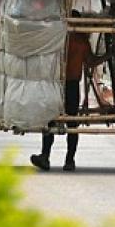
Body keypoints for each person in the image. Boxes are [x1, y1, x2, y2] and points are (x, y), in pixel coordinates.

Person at [31, 29, 92, 172]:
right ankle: (69, 160)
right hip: (71, 86)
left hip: (56, 84)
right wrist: (107, 56)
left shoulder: (57, 39)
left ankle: (45, 156)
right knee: (72, 122)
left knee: (51, 119)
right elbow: (90, 61)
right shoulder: (81, 42)